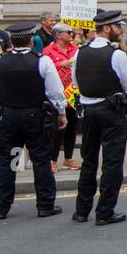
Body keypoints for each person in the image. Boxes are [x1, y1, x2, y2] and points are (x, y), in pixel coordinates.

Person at [0, 21, 66, 219]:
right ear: (30, 40)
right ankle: (45, 205)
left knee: (9, 160)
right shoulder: (42, 61)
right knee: (41, 160)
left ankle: (1, 207)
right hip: (35, 117)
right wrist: (61, 113)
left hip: (9, 118)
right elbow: (55, 93)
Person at [70, 9, 127, 225]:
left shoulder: (80, 52)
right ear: (107, 28)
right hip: (111, 113)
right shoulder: (116, 54)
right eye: (118, 26)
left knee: (88, 161)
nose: (122, 30)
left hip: (88, 113)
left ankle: (81, 210)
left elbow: (77, 82)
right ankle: (105, 211)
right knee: (112, 163)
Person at [43, 23, 82, 172]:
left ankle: (68, 158)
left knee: (71, 128)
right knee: (57, 129)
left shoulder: (75, 49)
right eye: (68, 32)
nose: (71, 35)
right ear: (58, 35)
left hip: (72, 93)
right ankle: (52, 160)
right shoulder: (48, 51)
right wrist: (60, 64)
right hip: (56, 94)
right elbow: (45, 66)